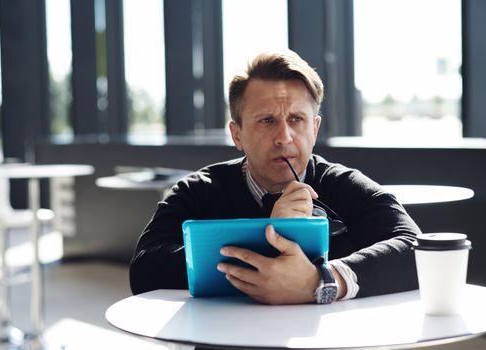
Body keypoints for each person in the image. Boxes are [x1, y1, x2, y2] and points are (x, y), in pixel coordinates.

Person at [129, 50, 421, 304]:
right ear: (237, 134)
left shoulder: (343, 184)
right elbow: (143, 271)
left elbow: (416, 247)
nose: (284, 137)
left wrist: (320, 281)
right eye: (267, 121)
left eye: (296, 119)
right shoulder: (198, 190)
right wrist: (267, 232)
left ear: (314, 129)